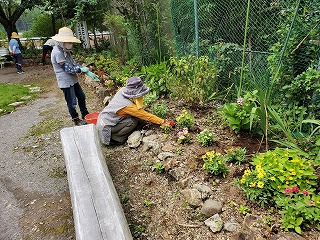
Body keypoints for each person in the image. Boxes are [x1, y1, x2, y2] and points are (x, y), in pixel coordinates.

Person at [96, 76, 175, 145]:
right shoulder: (128, 106)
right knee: (133, 121)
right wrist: (164, 122)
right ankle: (116, 139)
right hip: (106, 127)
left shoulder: (123, 90)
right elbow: (146, 116)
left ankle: (115, 134)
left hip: (103, 118)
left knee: (131, 118)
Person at [51, 27, 91, 126]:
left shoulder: (65, 50)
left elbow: (73, 63)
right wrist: (79, 70)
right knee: (72, 101)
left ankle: (85, 114)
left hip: (73, 79)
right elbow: (67, 68)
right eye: (68, 41)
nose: (70, 43)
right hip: (65, 81)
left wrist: (82, 68)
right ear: (61, 41)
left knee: (81, 96)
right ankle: (76, 119)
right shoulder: (57, 52)